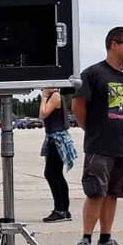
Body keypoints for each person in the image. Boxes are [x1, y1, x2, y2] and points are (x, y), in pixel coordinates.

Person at [72, 27, 123, 245]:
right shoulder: (92, 74)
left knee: (113, 193)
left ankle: (106, 238)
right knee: (95, 193)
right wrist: (90, 129)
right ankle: (85, 239)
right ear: (113, 44)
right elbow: (78, 106)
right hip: (100, 145)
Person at [39, 87, 77, 223]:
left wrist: (44, 97)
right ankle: (63, 209)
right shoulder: (54, 96)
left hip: (57, 139)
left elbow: (43, 113)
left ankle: (61, 210)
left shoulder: (55, 96)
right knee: (55, 174)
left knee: (52, 173)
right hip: (53, 137)